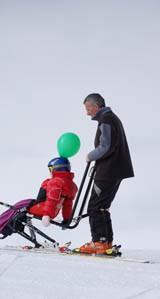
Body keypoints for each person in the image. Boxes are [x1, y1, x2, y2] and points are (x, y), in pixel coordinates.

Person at [76, 93, 134, 254]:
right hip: (117, 169)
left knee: (94, 206)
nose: (87, 113)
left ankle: (99, 243)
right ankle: (106, 242)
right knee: (102, 207)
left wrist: (90, 155)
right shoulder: (111, 118)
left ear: (96, 106)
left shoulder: (106, 119)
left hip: (108, 171)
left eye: (88, 109)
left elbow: (106, 146)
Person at [28, 157, 78, 227]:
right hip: (54, 212)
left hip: (43, 209)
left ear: (57, 168)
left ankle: (7, 227)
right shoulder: (72, 185)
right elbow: (68, 205)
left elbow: (52, 199)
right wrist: (67, 219)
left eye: (51, 169)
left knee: (20, 208)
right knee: (24, 205)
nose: (50, 172)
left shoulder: (56, 182)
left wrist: (47, 215)